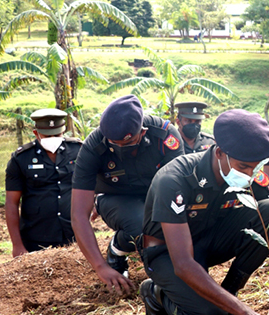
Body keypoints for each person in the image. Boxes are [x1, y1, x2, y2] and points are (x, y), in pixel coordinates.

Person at [138, 109, 269, 315]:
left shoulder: (251, 176)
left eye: (255, 168)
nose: (249, 175)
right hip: (167, 255)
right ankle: (154, 293)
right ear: (219, 153)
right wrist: (245, 312)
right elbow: (183, 264)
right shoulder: (175, 180)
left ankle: (229, 295)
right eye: (243, 167)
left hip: (206, 241)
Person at [71, 95, 184, 293]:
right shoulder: (93, 146)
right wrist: (101, 267)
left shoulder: (164, 136)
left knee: (170, 223)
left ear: (143, 132)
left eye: (128, 143)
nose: (120, 148)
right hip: (114, 198)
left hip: (157, 194)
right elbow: (79, 214)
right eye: (114, 144)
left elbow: (178, 188)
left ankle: (153, 264)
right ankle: (117, 252)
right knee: (141, 227)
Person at [5, 109, 82, 257]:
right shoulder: (21, 158)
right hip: (36, 237)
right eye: (47, 135)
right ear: (36, 133)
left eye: (57, 134)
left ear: (64, 130)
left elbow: (94, 184)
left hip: (75, 235)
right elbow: (11, 203)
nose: (53, 138)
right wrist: (17, 245)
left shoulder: (78, 151)